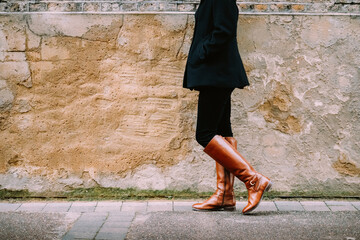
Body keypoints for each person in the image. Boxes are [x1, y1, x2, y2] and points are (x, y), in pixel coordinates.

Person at [183, 0, 272, 214]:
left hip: (216, 73)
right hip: (217, 73)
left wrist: (200, 53)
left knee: (204, 134)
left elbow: (224, 31)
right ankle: (225, 195)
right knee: (222, 132)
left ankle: (253, 180)